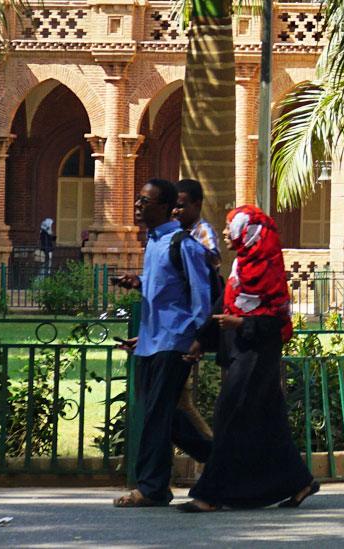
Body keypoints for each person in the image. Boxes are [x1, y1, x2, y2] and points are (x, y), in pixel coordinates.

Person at [177, 205, 318, 512]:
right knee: (268, 425)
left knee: (228, 419)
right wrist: (202, 339)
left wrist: (242, 324)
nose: (225, 232)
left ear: (247, 231)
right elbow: (223, 305)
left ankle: (210, 495)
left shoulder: (268, 270)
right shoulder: (243, 265)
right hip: (239, 354)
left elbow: (275, 321)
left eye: (231, 227)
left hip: (256, 360)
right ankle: (299, 482)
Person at [111, 179, 214, 507]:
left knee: (157, 414)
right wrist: (139, 285)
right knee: (161, 414)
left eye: (146, 201)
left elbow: (201, 294)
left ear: (166, 207)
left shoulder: (183, 244)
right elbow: (165, 292)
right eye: (139, 199)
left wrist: (200, 337)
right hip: (151, 342)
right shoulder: (154, 243)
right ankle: (224, 458)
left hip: (176, 342)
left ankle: (152, 487)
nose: (139, 206)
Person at [171, 179, 222, 440]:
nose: (175, 211)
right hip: (176, 325)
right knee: (178, 401)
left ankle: (212, 456)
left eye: (181, 206)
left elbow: (212, 262)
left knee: (179, 400)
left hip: (189, 326)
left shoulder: (200, 232)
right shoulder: (172, 235)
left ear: (197, 205)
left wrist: (189, 252)